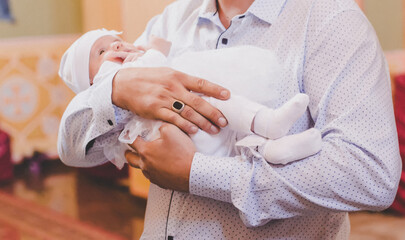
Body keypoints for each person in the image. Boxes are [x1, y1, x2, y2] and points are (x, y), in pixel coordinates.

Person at [58, 0, 402, 239]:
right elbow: (76, 151)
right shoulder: (169, 22)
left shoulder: (332, 21)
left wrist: (198, 174)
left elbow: (371, 174)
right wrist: (117, 89)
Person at [59, 29, 322, 169]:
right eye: (101, 51)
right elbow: (70, 151)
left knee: (233, 137)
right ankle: (265, 122)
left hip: (201, 132)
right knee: (214, 101)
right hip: (177, 131)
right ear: (91, 83)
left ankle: (273, 150)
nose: (116, 46)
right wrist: (119, 86)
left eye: (116, 40)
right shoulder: (111, 77)